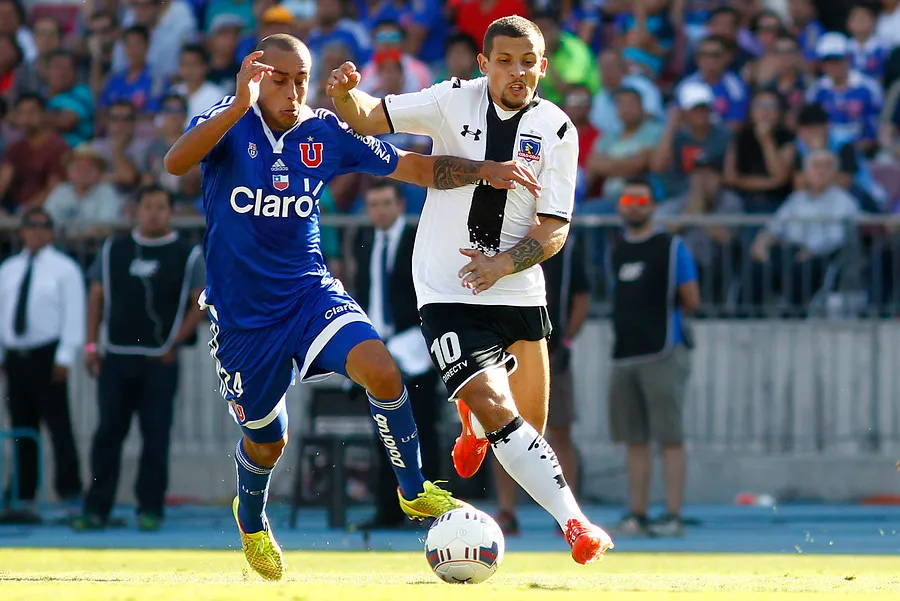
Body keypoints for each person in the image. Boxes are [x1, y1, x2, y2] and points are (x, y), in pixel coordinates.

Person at [163, 33, 539, 581]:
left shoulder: (324, 130)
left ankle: (413, 492)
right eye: (280, 79)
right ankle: (250, 516)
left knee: (383, 372)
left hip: (309, 293)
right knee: (268, 441)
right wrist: (240, 103)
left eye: (301, 79)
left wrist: (485, 169)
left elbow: (411, 167)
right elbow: (176, 164)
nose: (293, 90)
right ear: (256, 76)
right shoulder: (228, 119)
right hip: (244, 317)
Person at [326, 15, 614, 563]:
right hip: (446, 286)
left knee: (529, 427)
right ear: (484, 64)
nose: (517, 72)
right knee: (495, 403)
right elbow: (369, 118)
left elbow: (555, 229)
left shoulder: (557, 129)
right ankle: (576, 526)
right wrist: (345, 96)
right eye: (505, 60)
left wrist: (502, 264)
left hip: (517, 289)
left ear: (544, 66)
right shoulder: (451, 99)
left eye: (528, 62)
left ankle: (476, 425)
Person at [73, 185, 206, 532]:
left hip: (158, 362)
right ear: (137, 210)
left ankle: (151, 509)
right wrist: (91, 345)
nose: (153, 213)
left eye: (160, 207)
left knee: (155, 437)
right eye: (147, 206)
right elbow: (95, 298)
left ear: (170, 211)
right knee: (107, 436)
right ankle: (96, 509)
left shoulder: (187, 253)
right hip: (115, 357)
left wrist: (173, 344)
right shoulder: (113, 250)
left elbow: (201, 302)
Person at [607, 177, 700, 538]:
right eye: (628, 198)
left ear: (653, 206)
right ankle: (639, 514)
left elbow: (693, 299)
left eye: (641, 199)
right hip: (625, 354)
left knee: (670, 437)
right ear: (620, 205)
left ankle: (673, 515)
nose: (634, 205)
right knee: (634, 439)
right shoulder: (615, 250)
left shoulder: (672, 247)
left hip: (664, 351)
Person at [352, 179, 441, 530]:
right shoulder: (364, 241)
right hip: (377, 349)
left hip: (415, 348)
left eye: (386, 203)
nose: (379, 211)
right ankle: (388, 510)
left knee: (424, 431)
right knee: (384, 433)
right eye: (373, 204)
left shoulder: (418, 240)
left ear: (400, 204)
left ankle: (429, 510)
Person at [492, 233, 591, 535]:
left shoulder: (564, 243)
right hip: (506, 348)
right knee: (501, 431)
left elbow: (581, 297)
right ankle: (507, 510)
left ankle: (567, 515)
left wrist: (565, 340)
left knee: (559, 430)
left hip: (552, 350)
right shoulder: (505, 235)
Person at [0, 208, 85, 524]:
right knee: (21, 426)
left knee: (58, 426)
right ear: (21, 231)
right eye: (30, 226)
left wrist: (65, 356)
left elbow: (74, 314)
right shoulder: (8, 269)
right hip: (15, 355)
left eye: (43, 226)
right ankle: (23, 495)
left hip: (47, 355)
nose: (36, 231)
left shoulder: (64, 269)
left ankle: (71, 493)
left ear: (51, 231)